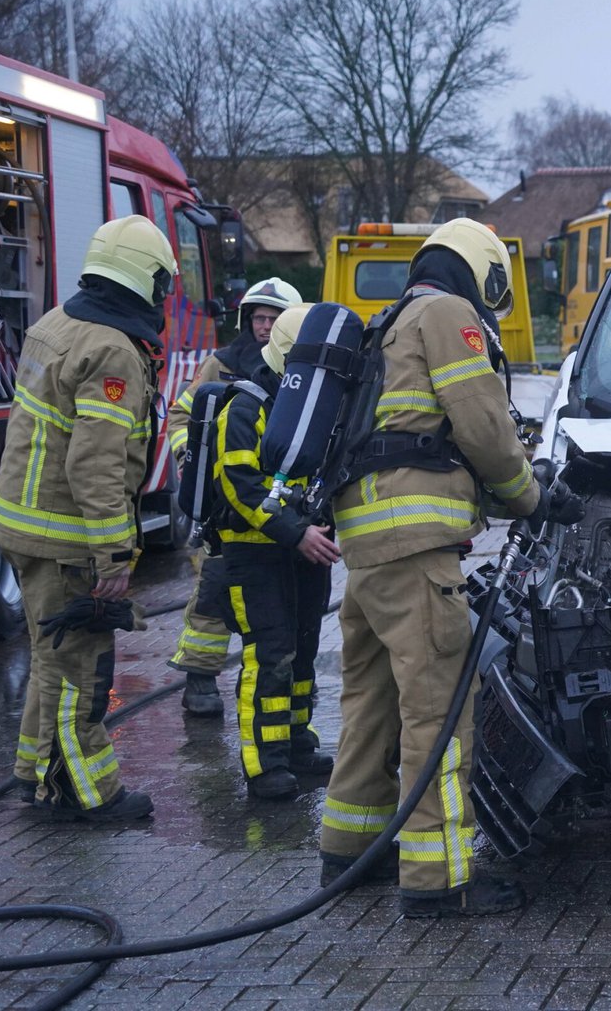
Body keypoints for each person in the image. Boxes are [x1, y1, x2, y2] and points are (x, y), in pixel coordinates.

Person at [317, 219, 579, 916]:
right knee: (437, 715)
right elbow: (484, 429)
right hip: (416, 548)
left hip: (368, 548)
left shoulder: (391, 320)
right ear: (479, 272)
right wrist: (533, 497)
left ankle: (349, 850)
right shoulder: (450, 314)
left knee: (369, 705)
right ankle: (439, 882)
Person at [0, 215, 178, 822]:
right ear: (145, 280)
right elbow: (95, 465)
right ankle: (90, 794)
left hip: (23, 525)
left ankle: (33, 773)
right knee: (80, 667)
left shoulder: (54, 325)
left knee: (50, 655)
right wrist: (114, 556)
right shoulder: (113, 350)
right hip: (66, 536)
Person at [212, 303, 343, 800]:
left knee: (304, 649)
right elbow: (241, 486)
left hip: (302, 549)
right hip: (256, 554)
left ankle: (295, 743)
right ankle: (263, 764)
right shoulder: (245, 407)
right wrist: (296, 532)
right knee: (268, 655)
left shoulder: (312, 404)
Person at [165, 277, 302, 715]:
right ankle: (200, 678)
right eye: (259, 318)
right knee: (213, 590)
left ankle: (282, 681)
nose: (265, 326)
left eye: (274, 318)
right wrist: (190, 456)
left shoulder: (300, 372)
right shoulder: (221, 365)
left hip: (279, 504)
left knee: (280, 603)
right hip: (224, 505)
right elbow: (181, 414)